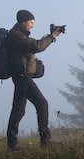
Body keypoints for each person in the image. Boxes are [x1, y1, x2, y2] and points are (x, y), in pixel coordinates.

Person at [6, 9, 63, 150]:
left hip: (22, 76)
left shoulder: (20, 35)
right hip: (22, 76)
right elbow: (36, 46)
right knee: (42, 103)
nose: (32, 25)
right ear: (22, 22)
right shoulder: (16, 36)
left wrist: (51, 36)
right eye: (31, 22)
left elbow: (33, 45)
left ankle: (12, 144)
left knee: (18, 110)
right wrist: (52, 37)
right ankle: (45, 140)